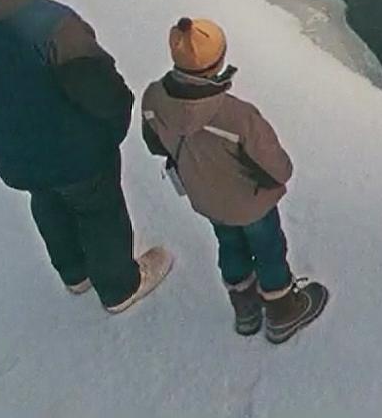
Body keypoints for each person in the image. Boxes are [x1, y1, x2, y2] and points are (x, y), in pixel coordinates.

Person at [0, 0, 171, 312]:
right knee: (98, 210)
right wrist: (113, 128)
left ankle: (74, 273)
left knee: (45, 196)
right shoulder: (52, 26)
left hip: (8, 146)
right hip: (76, 153)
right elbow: (103, 91)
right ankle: (119, 287)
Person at [140, 17, 329, 344]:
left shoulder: (154, 97)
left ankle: (246, 311)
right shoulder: (237, 116)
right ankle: (282, 310)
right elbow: (277, 168)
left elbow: (155, 142)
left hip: (206, 199)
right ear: (218, 62)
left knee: (229, 244)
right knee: (268, 249)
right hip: (251, 203)